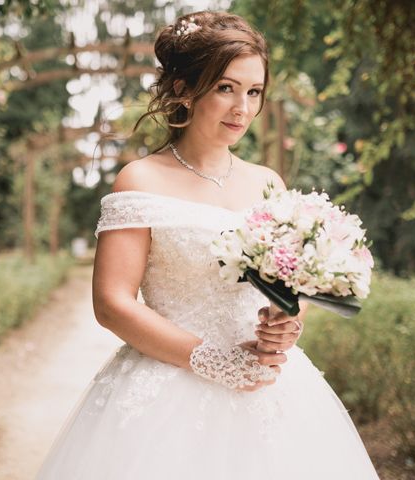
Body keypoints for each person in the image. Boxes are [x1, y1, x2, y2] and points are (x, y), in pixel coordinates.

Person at [37, 11, 379, 479]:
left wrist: (289, 323)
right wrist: (213, 361)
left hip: (270, 386)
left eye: (253, 92)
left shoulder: (267, 183)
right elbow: (112, 303)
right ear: (182, 89)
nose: (242, 108)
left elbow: (285, 286)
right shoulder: (140, 179)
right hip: (167, 386)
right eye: (226, 88)